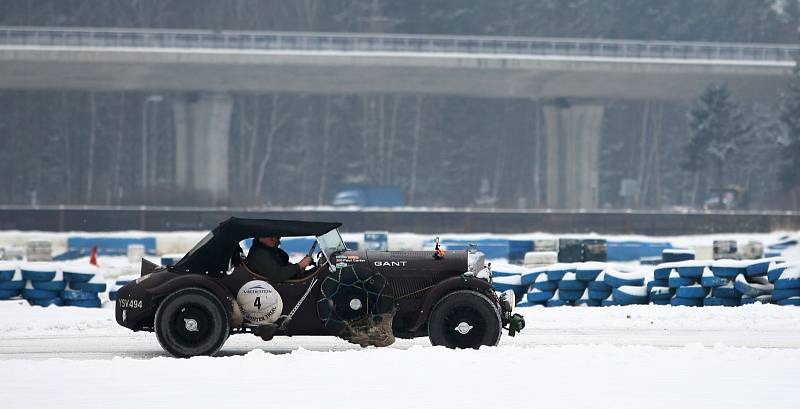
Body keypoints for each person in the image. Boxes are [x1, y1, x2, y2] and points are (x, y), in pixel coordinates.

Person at [245, 236, 313, 282]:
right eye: (275, 238)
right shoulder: (259, 253)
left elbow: (281, 266)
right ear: (263, 237)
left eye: (278, 238)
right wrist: (300, 265)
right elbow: (278, 275)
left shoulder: (267, 250)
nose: (277, 241)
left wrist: (300, 266)